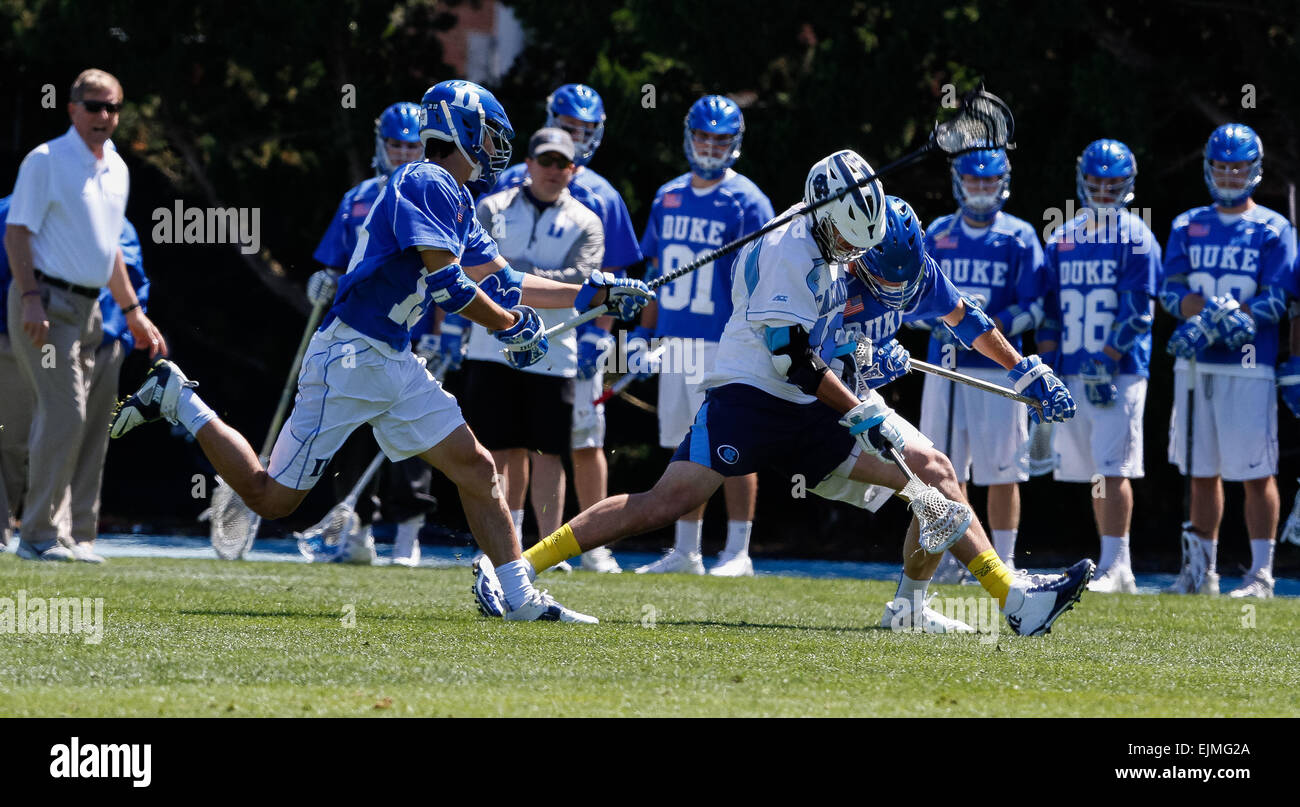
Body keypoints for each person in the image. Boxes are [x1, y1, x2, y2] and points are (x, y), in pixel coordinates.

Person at [475, 150, 1094, 637]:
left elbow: (956, 315)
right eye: (857, 253)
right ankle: (515, 571)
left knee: (931, 475)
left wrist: (1024, 371)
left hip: (816, 398)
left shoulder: (881, 245)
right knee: (665, 502)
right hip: (752, 392)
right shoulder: (789, 247)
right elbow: (791, 358)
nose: (860, 262)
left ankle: (989, 602)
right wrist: (860, 403)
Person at [111, 80, 653, 623]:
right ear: (460, 130)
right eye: (487, 137)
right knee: (272, 500)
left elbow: (504, 280)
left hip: (391, 358)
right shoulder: (424, 179)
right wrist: (513, 327)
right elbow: (450, 287)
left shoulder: (458, 197)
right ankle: (178, 397)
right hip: (349, 357)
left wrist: (591, 293)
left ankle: (518, 598)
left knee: (476, 466)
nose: (493, 151)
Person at [4, 68, 166, 562]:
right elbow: (17, 233)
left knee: (76, 422)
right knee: (64, 414)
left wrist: (133, 312)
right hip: (47, 305)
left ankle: (66, 534)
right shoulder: (46, 160)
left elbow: (111, 252)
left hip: (93, 308)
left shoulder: (117, 167)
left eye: (112, 107)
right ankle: (36, 536)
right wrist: (31, 296)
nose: (104, 117)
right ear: (72, 108)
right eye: (93, 106)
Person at [487, 83, 643, 573]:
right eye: (567, 128)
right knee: (509, 443)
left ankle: (591, 542)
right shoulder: (507, 185)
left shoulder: (602, 197)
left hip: (573, 339)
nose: (573, 139)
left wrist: (602, 335)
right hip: (505, 337)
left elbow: (614, 281)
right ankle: (510, 541)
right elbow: (477, 263)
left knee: (582, 441)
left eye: (583, 132)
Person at [626, 94, 774, 577]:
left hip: (726, 339)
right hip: (677, 341)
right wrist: (644, 337)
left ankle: (737, 551)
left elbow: (763, 279)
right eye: (703, 137)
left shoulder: (749, 200)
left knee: (735, 442)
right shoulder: (667, 195)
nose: (710, 147)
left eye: (720, 139)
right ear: (689, 137)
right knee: (685, 445)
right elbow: (653, 274)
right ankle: (686, 551)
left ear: (735, 143)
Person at [1160, 123, 1299, 598]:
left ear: (1254, 170)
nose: (1229, 175)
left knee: (1257, 471)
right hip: (1197, 364)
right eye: (1221, 166)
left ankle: (1261, 574)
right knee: (1201, 470)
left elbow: (1280, 296)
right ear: (1208, 168)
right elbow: (1170, 290)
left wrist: (1235, 316)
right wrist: (1205, 315)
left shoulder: (1274, 227)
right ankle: (1202, 572)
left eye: (1238, 167)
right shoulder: (1187, 223)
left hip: (1249, 363)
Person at [459, 127, 603, 564]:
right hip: (490, 344)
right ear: (529, 164)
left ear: (573, 169)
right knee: (498, 452)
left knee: (547, 452)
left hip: (554, 351)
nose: (554, 170)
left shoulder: (586, 220)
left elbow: (582, 284)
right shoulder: (491, 206)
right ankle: (505, 546)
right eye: (546, 161)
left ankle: (548, 551)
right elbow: (471, 269)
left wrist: (511, 274)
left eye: (563, 163)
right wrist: (522, 277)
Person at [306, 102, 435, 567]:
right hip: (355, 334)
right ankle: (354, 530)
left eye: (411, 146)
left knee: (412, 433)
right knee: (351, 430)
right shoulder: (357, 198)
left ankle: (407, 535)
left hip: (411, 332)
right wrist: (320, 282)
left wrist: (448, 331)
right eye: (395, 145)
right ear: (380, 145)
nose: (402, 154)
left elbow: (451, 273)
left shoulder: (434, 196)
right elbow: (335, 264)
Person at [1036, 139, 1161, 595]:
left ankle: (1118, 566)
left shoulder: (1136, 235)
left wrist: (1106, 362)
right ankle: (1111, 562)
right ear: (1082, 180)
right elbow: (1051, 313)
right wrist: (1046, 371)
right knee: (1094, 470)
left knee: (1114, 467)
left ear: (1127, 184)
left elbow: (1140, 314)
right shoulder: (1063, 237)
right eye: (1096, 181)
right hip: (1071, 370)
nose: (1104, 190)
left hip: (1119, 371)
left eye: (1113, 182)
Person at [919, 149, 1047, 582]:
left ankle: (1004, 559)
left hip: (1000, 370)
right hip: (946, 368)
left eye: (988, 182)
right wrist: (937, 322)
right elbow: (907, 296)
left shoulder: (1020, 236)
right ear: (959, 182)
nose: (980, 190)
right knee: (944, 468)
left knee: (1002, 468)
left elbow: (1034, 307)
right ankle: (956, 558)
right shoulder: (938, 232)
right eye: (973, 182)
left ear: (1002, 183)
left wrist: (985, 327)